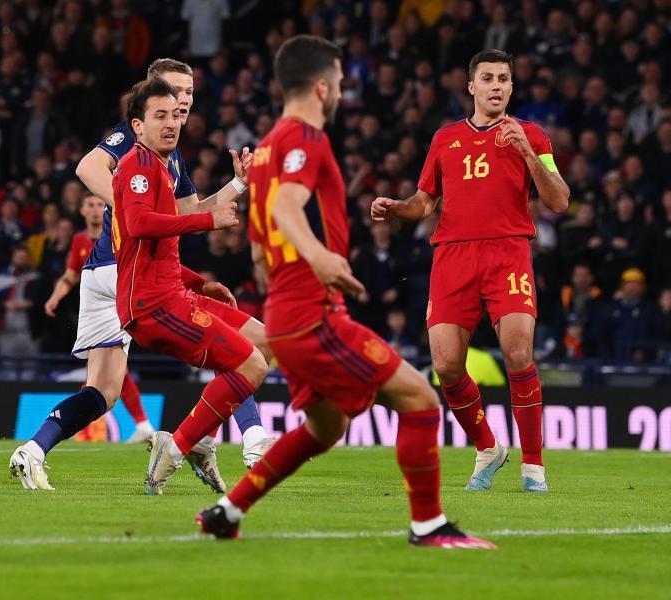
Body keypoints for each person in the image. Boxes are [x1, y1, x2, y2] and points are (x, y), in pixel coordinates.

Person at [199, 35, 493, 549]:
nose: (340, 92)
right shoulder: (305, 138)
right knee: (421, 401)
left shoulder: (266, 147)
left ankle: (227, 511)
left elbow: (259, 246)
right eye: (337, 82)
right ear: (321, 86)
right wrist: (321, 260)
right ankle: (429, 526)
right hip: (314, 315)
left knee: (325, 428)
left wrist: (283, 271)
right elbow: (288, 209)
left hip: (286, 314)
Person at [9, 59, 274, 493]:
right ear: (149, 99)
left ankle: (33, 450)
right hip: (121, 271)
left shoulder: (171, 160)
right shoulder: (133, 145)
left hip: (125, 274)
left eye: (188, 92)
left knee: (105, 391)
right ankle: (247, 438)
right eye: (173, 90)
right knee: (242, 352)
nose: (183, 99)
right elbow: (88, 170)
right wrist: (133, 204)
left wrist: (237, 187)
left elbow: (186, 213)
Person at [372, 49, 569, 493]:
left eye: (504, 78)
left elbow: (559, 201)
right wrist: (396, 208)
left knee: (519, 355)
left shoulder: (532, 135)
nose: (496, 85)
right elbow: (424, 203)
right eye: (488, 78)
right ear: (472, 87)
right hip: (453, 256)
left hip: (508, 252)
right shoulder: (445, 139)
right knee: (445, 365)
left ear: (512, 87)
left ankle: (533, 466)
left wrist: (529, 156)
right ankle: (488, 447)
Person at [107, 78, 271, 496]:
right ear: (137, 126)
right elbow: (142, 225)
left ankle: (196, 438)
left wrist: (201, 282)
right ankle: (178, 445)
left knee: (263, 342)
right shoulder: (138, 166)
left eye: (175, 116)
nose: (170, 124)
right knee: (252, 365)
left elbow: (164, 245)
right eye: (159, 116)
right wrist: (208, 222)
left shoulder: (162, 166)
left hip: (174, 293)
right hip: (152, 306)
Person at [43, 193, 153, 442]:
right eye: (90, 205)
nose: (95, 210)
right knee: (108, 371)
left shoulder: (117, 235)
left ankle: (72, 424)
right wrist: (55, 296)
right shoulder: (79, 240)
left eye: (99, 205)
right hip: (95, 311)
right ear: (82, 211)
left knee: (106, 369)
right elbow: (70, 275)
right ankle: (139, 424)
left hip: (120, 305)